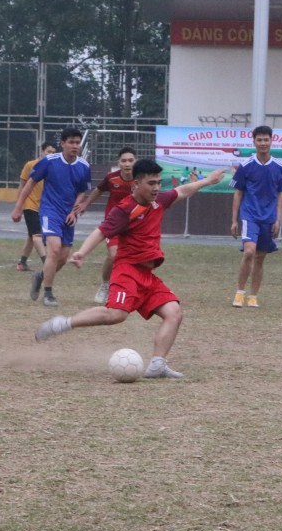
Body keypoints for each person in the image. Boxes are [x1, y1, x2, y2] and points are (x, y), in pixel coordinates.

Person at [34, 159, 226, 379]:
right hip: (127, 270)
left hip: (147, 275)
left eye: (158, 182)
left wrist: (208, 181)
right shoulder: (125, 209)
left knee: (174, 313)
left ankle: (157, 364)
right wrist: (82, 253)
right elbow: (101, 231)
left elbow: (182, 190)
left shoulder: (158, 202)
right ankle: (64, 323)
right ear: (136, 184)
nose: (156, 188)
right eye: (150, 183)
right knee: (116, 315)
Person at [11, 127, 91, 307]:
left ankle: (41, 276)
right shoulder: (49, 161)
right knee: (53, 250)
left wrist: (74, 211)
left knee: (62, 257)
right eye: (71, 142)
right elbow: (30, 183)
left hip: (68, 214)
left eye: (77, 142)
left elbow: (82, 192)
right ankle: (48, 293)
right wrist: (18, 208)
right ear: (62, 143)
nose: (75, 146)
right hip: (49, 211)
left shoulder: (84, 166)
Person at [230, 125, 282, 308]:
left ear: (272, 141)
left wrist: (278, 219)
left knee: (260, 257)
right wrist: (234, 220)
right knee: (249, 252)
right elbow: (238, 193)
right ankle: (240, 293)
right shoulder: (246, 166)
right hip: (249, 216)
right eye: (259, 140)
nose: (263, 143)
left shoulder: (280, 167)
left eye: (266, 139)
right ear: (254, 142)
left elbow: (280, 193)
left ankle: (253, 296)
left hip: (269, 218)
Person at [73, 146, 138, 305]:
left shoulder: (140, 179)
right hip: (113, 223)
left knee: (136, 258)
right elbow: (98, 190)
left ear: (136, 162)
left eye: (130, 160)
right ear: (119, 163)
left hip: (134, 224)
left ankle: (131, 288)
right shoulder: (112, 178)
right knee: (114, 255)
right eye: (124, 160)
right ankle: (105, 285)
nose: (127, 163)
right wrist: (86, 204)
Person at [14, 140, 56, 271]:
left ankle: (22, 263)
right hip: (29, 205)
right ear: (42, 151)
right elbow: (22, 185)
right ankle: (46, 262)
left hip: (44, 207)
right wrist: (19, 206)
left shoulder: (54, 167)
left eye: (54, 153)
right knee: (37, 235)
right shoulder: (31, 165)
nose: (51, 154)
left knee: (31, 236)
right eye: (48, 151)